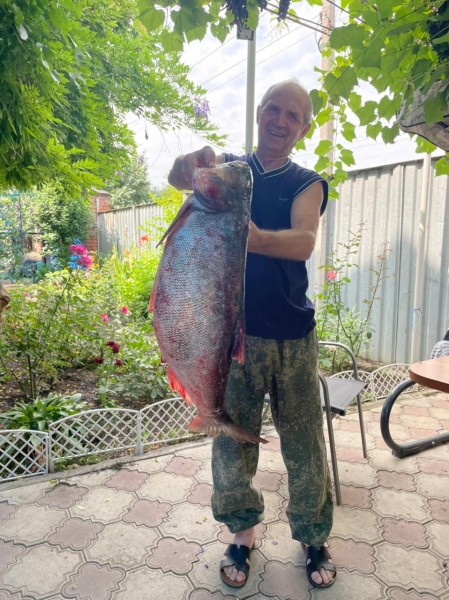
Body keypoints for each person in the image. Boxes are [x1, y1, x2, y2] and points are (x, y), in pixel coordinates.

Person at [168, 79, 336, 590]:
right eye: (274, 109)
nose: (281, 121)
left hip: (292, 336)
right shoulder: (231, 170)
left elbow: (303, 242)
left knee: (304, 443)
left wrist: (247, 233)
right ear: (260, 111)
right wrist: (187, 165)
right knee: (230, 445)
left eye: (293, 115)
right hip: (231, 337)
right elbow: (178, 178)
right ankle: (242, 533)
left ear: (303, 128)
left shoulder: (307, 182)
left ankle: (313, 536)